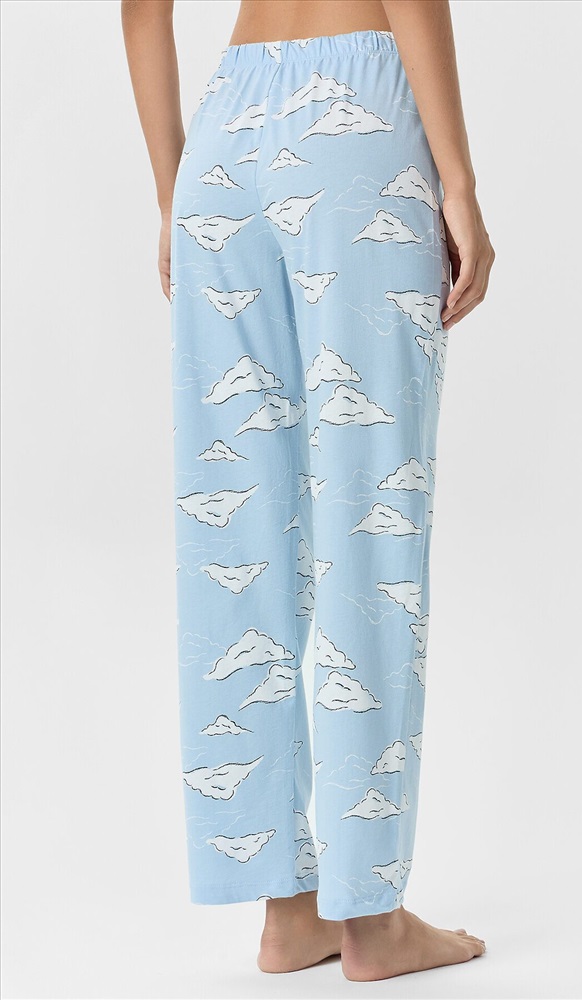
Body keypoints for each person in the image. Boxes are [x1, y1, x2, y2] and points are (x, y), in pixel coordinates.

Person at [122, 0, 494, 982]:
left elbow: (141, 12)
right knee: (371, 512)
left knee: (239, 530)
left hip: (223, 138)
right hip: (354, 123)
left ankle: (287, 909)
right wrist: (458, 182)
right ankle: (372, 918)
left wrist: (174, 195)